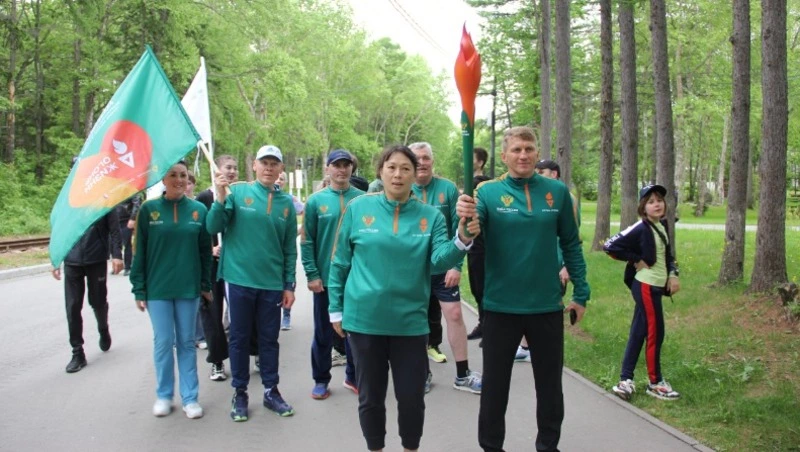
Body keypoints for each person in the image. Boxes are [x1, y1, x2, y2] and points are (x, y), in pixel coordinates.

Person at [328, 144, 480, 452]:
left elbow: (437, 261)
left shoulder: (431, 216)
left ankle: (411, 447)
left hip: (410, 322)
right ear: (381, 172)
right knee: (370, 397)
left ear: (416, 174)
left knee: (411, 398)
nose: (398, 174)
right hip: (364, 321)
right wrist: (335, 309)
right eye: (391, 167)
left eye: (405, 168)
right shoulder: (358, 209)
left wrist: (463, 239)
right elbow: (340, 262)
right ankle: (376, 447)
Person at [457, 126, 590, 452]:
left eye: (529, 149)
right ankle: (491, 447)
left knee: (549, 387)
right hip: (501, 306)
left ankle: (548, 445)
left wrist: (581, 293)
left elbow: (571, 244)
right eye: (516, 149)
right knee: (494, 389)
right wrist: (467, 223)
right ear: (504, 156)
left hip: (545, 305)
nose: (524, 155)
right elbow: (472, 230)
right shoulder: (487, 192)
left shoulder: (556, 192)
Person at [207, 145, 298, 422]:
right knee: (239, 338)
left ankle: (271, 391)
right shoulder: (239, 191)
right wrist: (220, 198)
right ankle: (240, 393)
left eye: (275, 163)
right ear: (255, 166)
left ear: (281, 169)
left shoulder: (287, 205)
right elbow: (213, 227)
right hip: (238, 280)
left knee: (269, 340)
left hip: (271, 283)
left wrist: (289, 285)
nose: (269, 167)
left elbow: (289, 249)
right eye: (264, 162)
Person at [130, 160, 212, 419]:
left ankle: (190, 398)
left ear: (189, 179)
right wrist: (139, 289)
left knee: (186, 342)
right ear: (163, 180)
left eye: (183, 175)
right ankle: (164, 395)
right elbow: (139, 251)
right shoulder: (148, 209)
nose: (179, 179)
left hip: (188, 288)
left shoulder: (199, 210)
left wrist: (205, 285)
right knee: (164, 342)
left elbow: (204, 253)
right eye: (173, 175)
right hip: (158, 289)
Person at [409, 141, 481, 394]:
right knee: (417, 321)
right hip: (414, 270)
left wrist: (456, 266)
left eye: (426, 157)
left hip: (444, 267)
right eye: (416, 158)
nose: (421, 162)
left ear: (432, 160)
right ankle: (422, 374)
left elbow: (458, 228)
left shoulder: (448, 189)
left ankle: (463, 375)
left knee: (454, 315)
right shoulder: (402, 188)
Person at [603, 184, 681, 401]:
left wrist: (673, 274)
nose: (657, 205)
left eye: (659, 200)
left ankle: (625, 380)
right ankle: (655, 383)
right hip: (646, 286)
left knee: (639, 332)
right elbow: (610, 245)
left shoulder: (662, 225)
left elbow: (668, 254)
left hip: (656, 285)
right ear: (643, 207)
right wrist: (636, 259)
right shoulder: (641, 227)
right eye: (651, 201)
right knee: (656, 333)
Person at [301, 149, 364, 400]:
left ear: (352, 168)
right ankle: (321, 379)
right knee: (324, 332)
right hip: (326, 280)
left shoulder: (362, 199)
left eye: (346, 165)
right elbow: (307, 241)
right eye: (336, 165)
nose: (341, 169)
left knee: (355, 332)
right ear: (327, 169)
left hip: (356, 279)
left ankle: (353, 375)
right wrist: (312, 274)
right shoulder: (316, 201)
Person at [514, 158, 580, 362]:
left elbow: (572, 237)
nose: (537, 173)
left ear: (554, 173)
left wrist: (566, 265)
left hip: (556, 263)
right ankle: (526, 346)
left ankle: (547, 350)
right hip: (536, 263)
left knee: (551, 305)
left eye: (542, 171)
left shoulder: (565, 197)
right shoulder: (538, 194)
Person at [53, 201, 123, 373]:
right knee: (73, 306)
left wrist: (117, 255)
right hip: (72, 260)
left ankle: (103, 328)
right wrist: (56, 258)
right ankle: (77, 353)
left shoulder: (104, 199)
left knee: (98, 302)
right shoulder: (68, 201)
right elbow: (59, 228)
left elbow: (114, 230)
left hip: (96, 258)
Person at [196, 155, 239, 382]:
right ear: (216, 170)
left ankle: (253, 352)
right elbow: (201, 229)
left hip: (234, 265)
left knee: (241, 314)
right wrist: (211, 248)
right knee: (212, 314)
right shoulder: (204, 197)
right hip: (211, 267)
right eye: (227, 168)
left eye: (234, 168)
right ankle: (217, 361)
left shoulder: (239, 196)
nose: (231, 172)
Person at [467, 147, 491, 341]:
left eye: (471, 158)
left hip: (485, 244)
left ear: (480, 162)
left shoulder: (484, 184)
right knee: (475, 287)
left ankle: (490, 329)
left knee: (484, 287)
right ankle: (483, 324)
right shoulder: (468, 183)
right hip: (471, 245)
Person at [276, 170, 304, 331]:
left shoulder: (289, 200)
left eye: (282, 179)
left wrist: (296, 233)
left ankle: (286, 315)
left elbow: (304, 212)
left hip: (285, 249)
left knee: (286, 281)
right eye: (278, 178)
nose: (279, 181)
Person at [115, 192, 141, 277]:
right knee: (114, 243)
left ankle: (127, 267)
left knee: (127, 244)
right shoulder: (113, 187)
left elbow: (137, 203)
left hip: (126, 219)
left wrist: (132, 218)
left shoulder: (129, 187)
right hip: (115, 219)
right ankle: (117, 265)